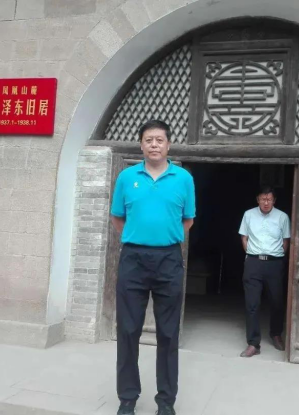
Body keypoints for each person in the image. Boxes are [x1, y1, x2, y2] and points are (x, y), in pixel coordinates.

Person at [110, 120, 195, 415]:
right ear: (141, 145)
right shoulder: (127, 177)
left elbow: (188, 220)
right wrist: (140, 237)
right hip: (133, 259)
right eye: (149, 140)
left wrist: (163, 237)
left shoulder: (183, 178)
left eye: (159, 140)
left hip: (168, 260)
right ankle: (127, 398)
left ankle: (166, 402)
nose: (154, 145)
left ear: (168, 145)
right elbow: (118, 218)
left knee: (168, 333)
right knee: (128, 330)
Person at [238, 185, 291, 358]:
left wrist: (278, 258)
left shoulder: (282, 217)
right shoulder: (248, 215)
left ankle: (276, 334)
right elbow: (244, 237)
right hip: (253, 263)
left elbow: (286, 241)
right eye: (263, 199)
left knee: (277, 301)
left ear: (274, 200)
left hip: (274, 263)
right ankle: (253, 343)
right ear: (258, 199)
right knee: (252, 304)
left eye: (269, 199)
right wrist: (250, 254)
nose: (266, 202)